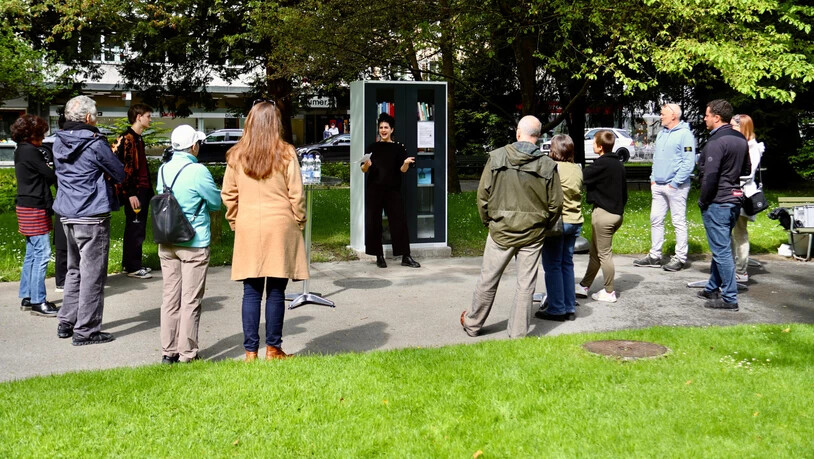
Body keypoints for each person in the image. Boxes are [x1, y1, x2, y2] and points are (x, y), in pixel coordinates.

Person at [221, 101, 309, 361]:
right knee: (276, 291)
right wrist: (299, 221)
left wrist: (235, 220)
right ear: (276, 124)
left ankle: (250, 352)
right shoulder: (286, 152)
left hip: (249, 226)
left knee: (251, 291)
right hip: (281, 226)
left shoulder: (236, 154)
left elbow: (228, 194)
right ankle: (273, 349)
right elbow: (296, 193)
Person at [460, 116, 562, 338]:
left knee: (488, 279)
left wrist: (489, 221)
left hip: (501, 230)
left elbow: (482, 195)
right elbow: (556, 204)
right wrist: (544, 226)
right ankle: (517, 333)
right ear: (538, 135)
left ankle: (473, 323)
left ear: (518, 133)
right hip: (533, 233)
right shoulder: (547, 165)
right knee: (525, 285)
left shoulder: (496, 157)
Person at [52, 95, 125, 345]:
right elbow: (119, 173)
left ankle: (67, 321)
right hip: (91, 215)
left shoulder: (58, 141)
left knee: (74, 270)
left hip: (67, 214)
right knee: (92, 274)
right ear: (87, 118)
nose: (97, 118)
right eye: (96, 114)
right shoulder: (95, 143)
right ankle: (87, 331)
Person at [155, 125, 222, 364]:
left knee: (170, 298)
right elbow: (215, 202)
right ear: (193, 146)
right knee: (191, 299)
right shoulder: (198, 170)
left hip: (167, 240)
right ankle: (187, 353)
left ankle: (168, 351)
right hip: (194, 242)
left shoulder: (163, 169)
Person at [696, 99, 750, 311]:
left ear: (717, 117)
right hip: (734, 198)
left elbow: (710, 176)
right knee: (723, 247)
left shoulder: (716, 142)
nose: (705, 118)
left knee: (721, 251)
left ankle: (729, 297)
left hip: (718, 201)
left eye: (707, 115)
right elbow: (746, 169)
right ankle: (712, 287)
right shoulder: (740, 138)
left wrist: (703, 200)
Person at [633, 103, 696, 272]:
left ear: (673, 116)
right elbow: (657, 159)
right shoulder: (662, 134)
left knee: (678, 221)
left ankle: (680, 257)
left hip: (676, 186)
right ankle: (655, 255)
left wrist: (675, 183)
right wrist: (653, 179)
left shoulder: (685, 135)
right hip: (658, 185)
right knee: (656, 219)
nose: (660, 116)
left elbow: (689, 162)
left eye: (663, 114)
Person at [12, 114, 59, 317]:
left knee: (32, 253)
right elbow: (50, 175)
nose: (43, 136)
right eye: (41, 133)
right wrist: (51, 167)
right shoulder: (31, 152)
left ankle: (27, 296)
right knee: (42, 253)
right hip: (35, 206)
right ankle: (38, 301)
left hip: (25, 205)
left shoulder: (20, 151)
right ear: (32, 133)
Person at [361, 113, 421, 268]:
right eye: (381, 127)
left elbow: (402, 169)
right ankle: (379, 256)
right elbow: (363, 169)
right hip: (374, 189)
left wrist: (406, 163)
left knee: (399, 221)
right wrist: (366, 164)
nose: (383, 130)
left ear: (392, 129)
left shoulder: (398, 148)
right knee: (374, 222)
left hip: (393, 190)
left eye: (386, 127)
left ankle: (405, 256)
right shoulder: (372, 147)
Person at [576, 130, 628, 303]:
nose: (592, 144)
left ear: (599, 146)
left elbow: (581, 177)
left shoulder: (602, 164)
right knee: (595, 252)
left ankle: (609, 291)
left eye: (593, 142)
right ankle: (584, 285)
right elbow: (624, 193)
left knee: (604, 254)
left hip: (604, 215)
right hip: (616, 214)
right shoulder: (618, 164)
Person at [536, 134, 583, 321]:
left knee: (553, 265)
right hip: (575, 220)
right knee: (566, 264)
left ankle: (556, 308)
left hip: (558, 222)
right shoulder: (577, 169)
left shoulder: (552, 168)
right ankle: (569, 306)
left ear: (553, 150)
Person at [113, 103, 155, 279]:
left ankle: (130, 263)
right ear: (139, 117)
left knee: (137, 227)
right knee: (135, 228)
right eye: (148, 116)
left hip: (142, 190)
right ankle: (133, 267)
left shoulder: (137, 138)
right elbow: (127, 168)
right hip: (135, 192)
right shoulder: (128, 138)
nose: (150, 119)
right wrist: (130, 193)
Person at [730, 114, 764, 283]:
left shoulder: (752, 147)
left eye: (733, 126)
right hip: (731, 192)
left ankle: (741, 270)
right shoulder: (739, 144)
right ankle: (730, 267)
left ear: (742, 127)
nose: (730, 129)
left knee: (740, 233)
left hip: (743, 194)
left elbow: (747, 173)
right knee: (728, 232)